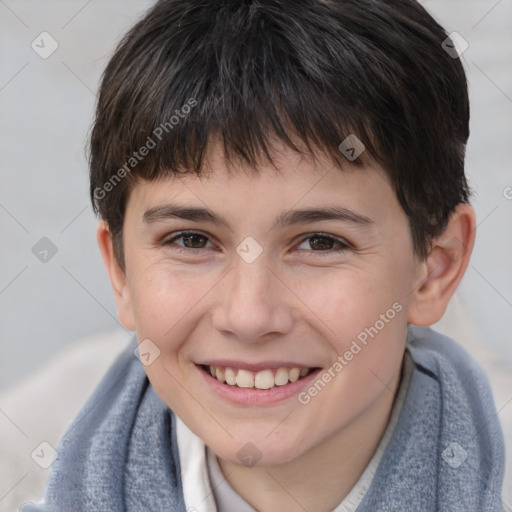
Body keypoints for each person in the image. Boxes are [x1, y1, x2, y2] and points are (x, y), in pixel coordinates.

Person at [22, 0, 505, 510]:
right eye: (191, 240)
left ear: (435, 267)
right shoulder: (25, 447)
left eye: (321, 242)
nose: (249, 316)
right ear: (120, 271)